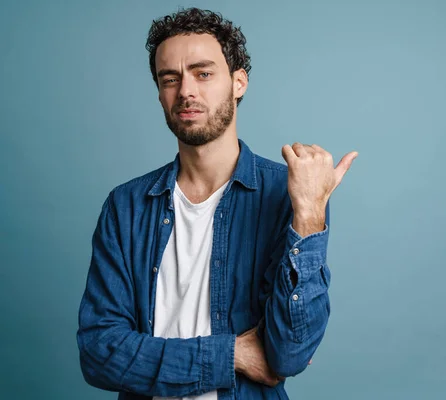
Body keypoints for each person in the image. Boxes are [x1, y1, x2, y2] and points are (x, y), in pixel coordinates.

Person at [76, 7, 357, 400]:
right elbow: (98, 352)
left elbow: (289, 355)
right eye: (170, 78)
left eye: (203, 73)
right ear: (159, 92)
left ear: (238, 82)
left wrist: (309, 215)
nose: (186, 91)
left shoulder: (288, 194)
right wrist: (229, 355)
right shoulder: (126, 206)